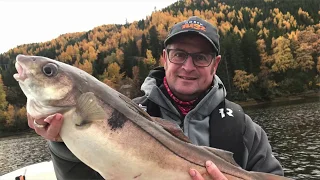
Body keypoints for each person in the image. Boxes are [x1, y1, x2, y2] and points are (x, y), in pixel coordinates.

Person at [28, 16, 284, 179]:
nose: (188, 66)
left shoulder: (244, 129)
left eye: (201, 57)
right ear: (164, 58)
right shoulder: (121, 115)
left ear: (215, 65)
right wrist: (62, 143)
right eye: (179, 54)